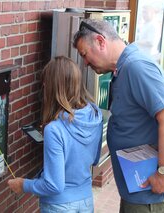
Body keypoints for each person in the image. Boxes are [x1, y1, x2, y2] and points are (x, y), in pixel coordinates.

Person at [73, 19, 164, 213]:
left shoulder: (137, 67)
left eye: (85, 54)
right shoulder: (123, 68)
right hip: (139, 187)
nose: (85, 63)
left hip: (151, 193)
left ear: (101, 41)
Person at [7, 56, 103, 212]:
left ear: (53, 87)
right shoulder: (95, 115)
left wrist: (23, 185)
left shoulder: (54, 130)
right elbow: (94, 159)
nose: (43, 87)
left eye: (45, 84)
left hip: (59, 206)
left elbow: (53, 185)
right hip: (85, 200)